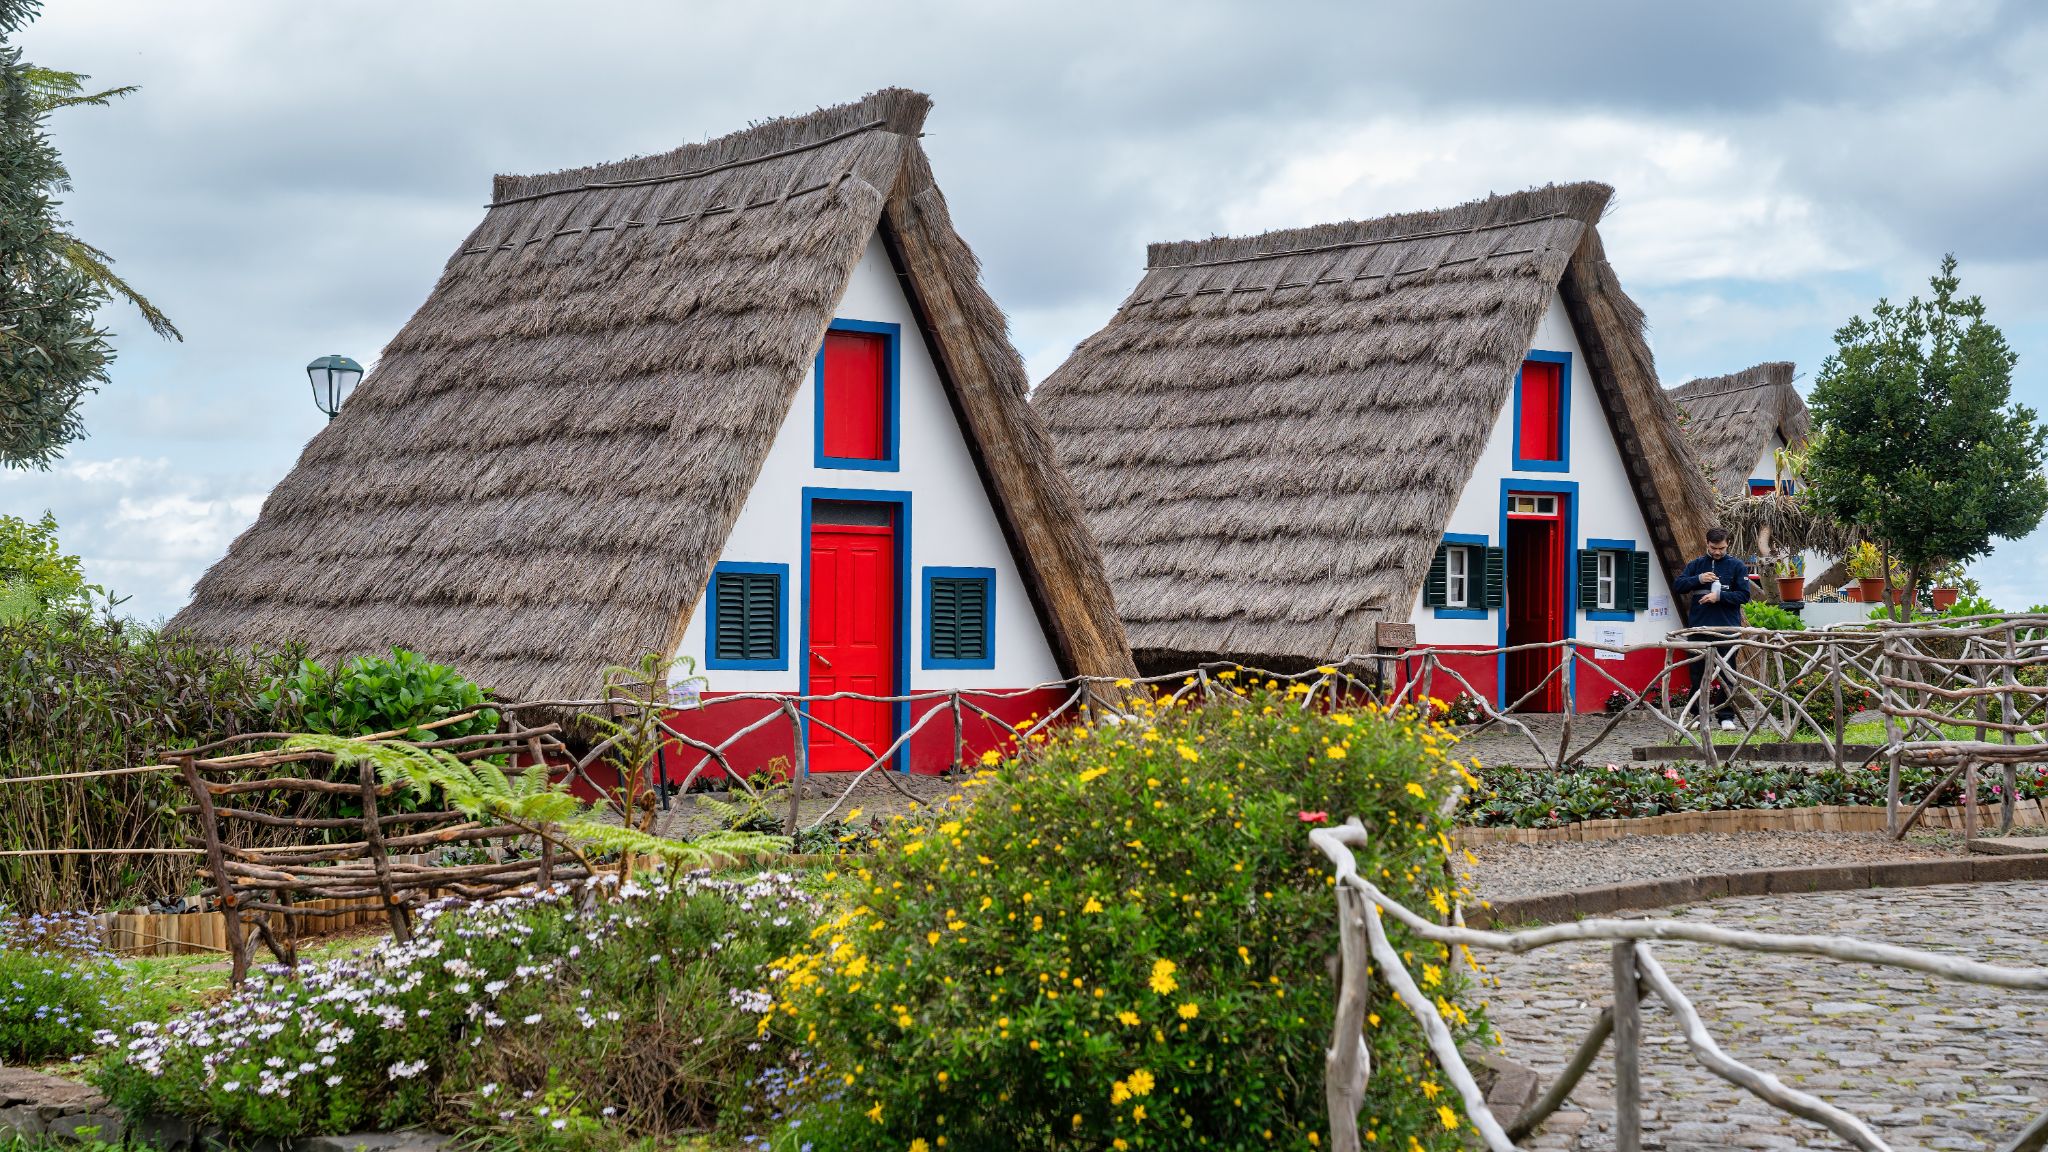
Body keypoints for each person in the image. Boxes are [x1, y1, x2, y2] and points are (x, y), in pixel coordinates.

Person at [1671, 527, 1751, 728]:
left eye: (1722, 548)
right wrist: (1698, 579)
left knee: (1727, 673)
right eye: (1714, 547)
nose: (1717, 552)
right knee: (1697, 674)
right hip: (1699, 628)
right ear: (1707, 543)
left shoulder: (1737, 566)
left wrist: (1720, 597)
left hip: (1727, 629)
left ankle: (1726, 716)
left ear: (1728, 545)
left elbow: (1744, 596)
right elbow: (1678, 586)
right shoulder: (1696, 565)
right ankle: (1698, 715)